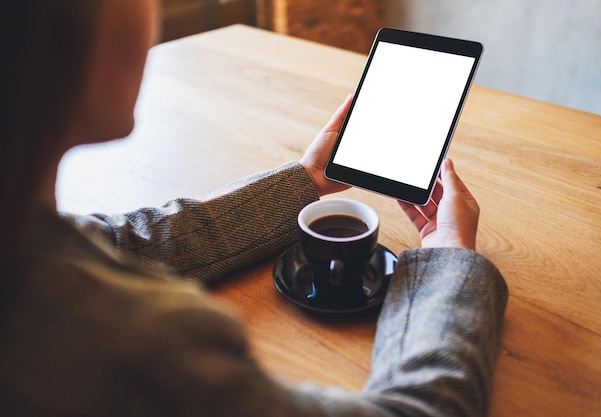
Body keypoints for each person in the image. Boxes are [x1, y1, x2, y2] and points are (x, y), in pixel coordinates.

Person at [0, 0, 508, 416]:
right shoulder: (136, 341)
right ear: (54, 34)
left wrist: (305, 182)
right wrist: (450, 262)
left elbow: (126, 242)